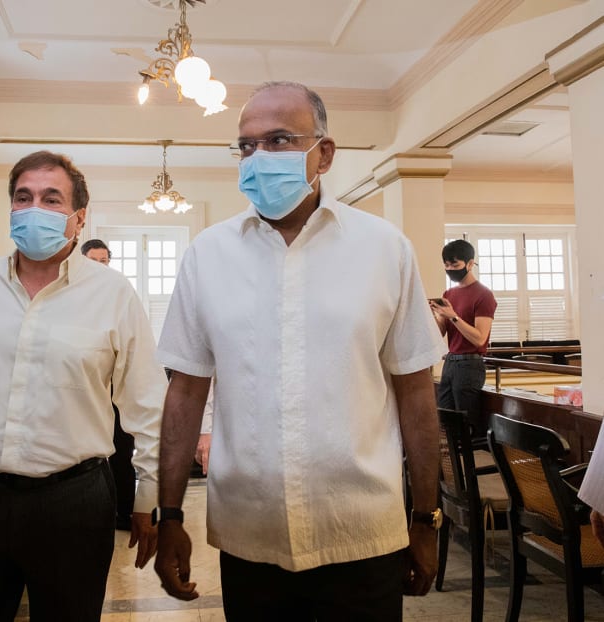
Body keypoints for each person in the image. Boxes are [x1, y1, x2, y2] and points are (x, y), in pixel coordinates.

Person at [154, 81, 445, 621]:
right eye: (246, 145)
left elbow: (415, 392)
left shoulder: (383, 250)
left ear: (324, 154)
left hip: (362, 533)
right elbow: (186, 390)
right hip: (250, 537)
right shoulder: (208, 256)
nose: (258, 158)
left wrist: (426, 518)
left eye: (280, 140)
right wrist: (170, 513)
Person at [0, 151, 165, 622]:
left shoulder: (112, 294)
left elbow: (147, 404)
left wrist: (149, 496)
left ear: (78, 218)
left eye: (51, 199)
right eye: (23, 197)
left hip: (73, 503)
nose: (34, 207)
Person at [81, 237, 137, 530]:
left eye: (105, 261)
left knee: (122, 453)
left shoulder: (119, 294)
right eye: (94, 261)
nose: (101, 267)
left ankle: (125, 513)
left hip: (116, 392)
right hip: (87, 394)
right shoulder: (73, 297)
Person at [429, 239, 497, 437]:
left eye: (455, 265)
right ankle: (452, 466)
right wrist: (435, 315)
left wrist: (453, 316)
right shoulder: (449, 293)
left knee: (467, 422)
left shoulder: (484, 295)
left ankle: (470, 465)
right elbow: (440, 332)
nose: (450, 269)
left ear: (470, 264)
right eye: (447, 265)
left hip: (470, 364)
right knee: (446, 419)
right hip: (450, 361)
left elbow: (479, 338)